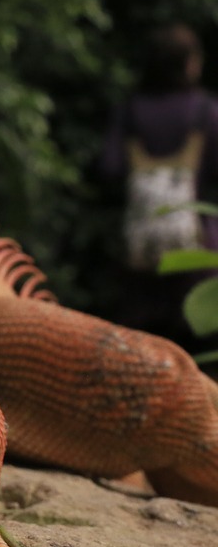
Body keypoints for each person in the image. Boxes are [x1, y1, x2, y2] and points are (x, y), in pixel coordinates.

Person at [101, 23, 218, 347]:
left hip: (141, 248)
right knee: (198, 342)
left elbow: (109, 168)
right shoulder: (204, 111)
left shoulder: (130, 111)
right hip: (195, 247)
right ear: (188, 63)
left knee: (143, 343)